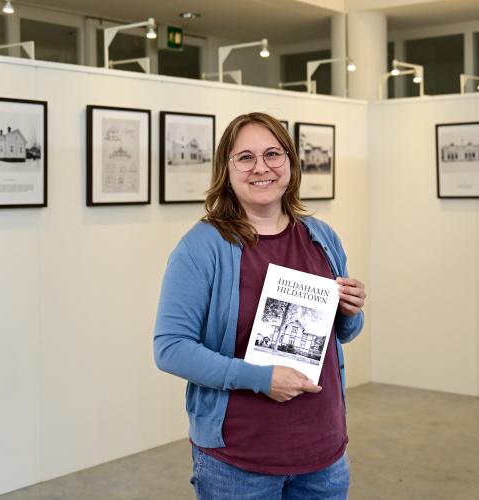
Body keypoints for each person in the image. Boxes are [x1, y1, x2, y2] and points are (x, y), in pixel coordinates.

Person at [154, 112, 366, 500]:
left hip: (323, 455)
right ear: (226, 169)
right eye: (245, 157)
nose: (261, 168)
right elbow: (170, 349)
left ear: (289, 163)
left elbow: (343, 334)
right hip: (238, 461)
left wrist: (351, 311)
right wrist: (260, 378)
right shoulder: (201, 247)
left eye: (272, 154)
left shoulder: (321, 237)